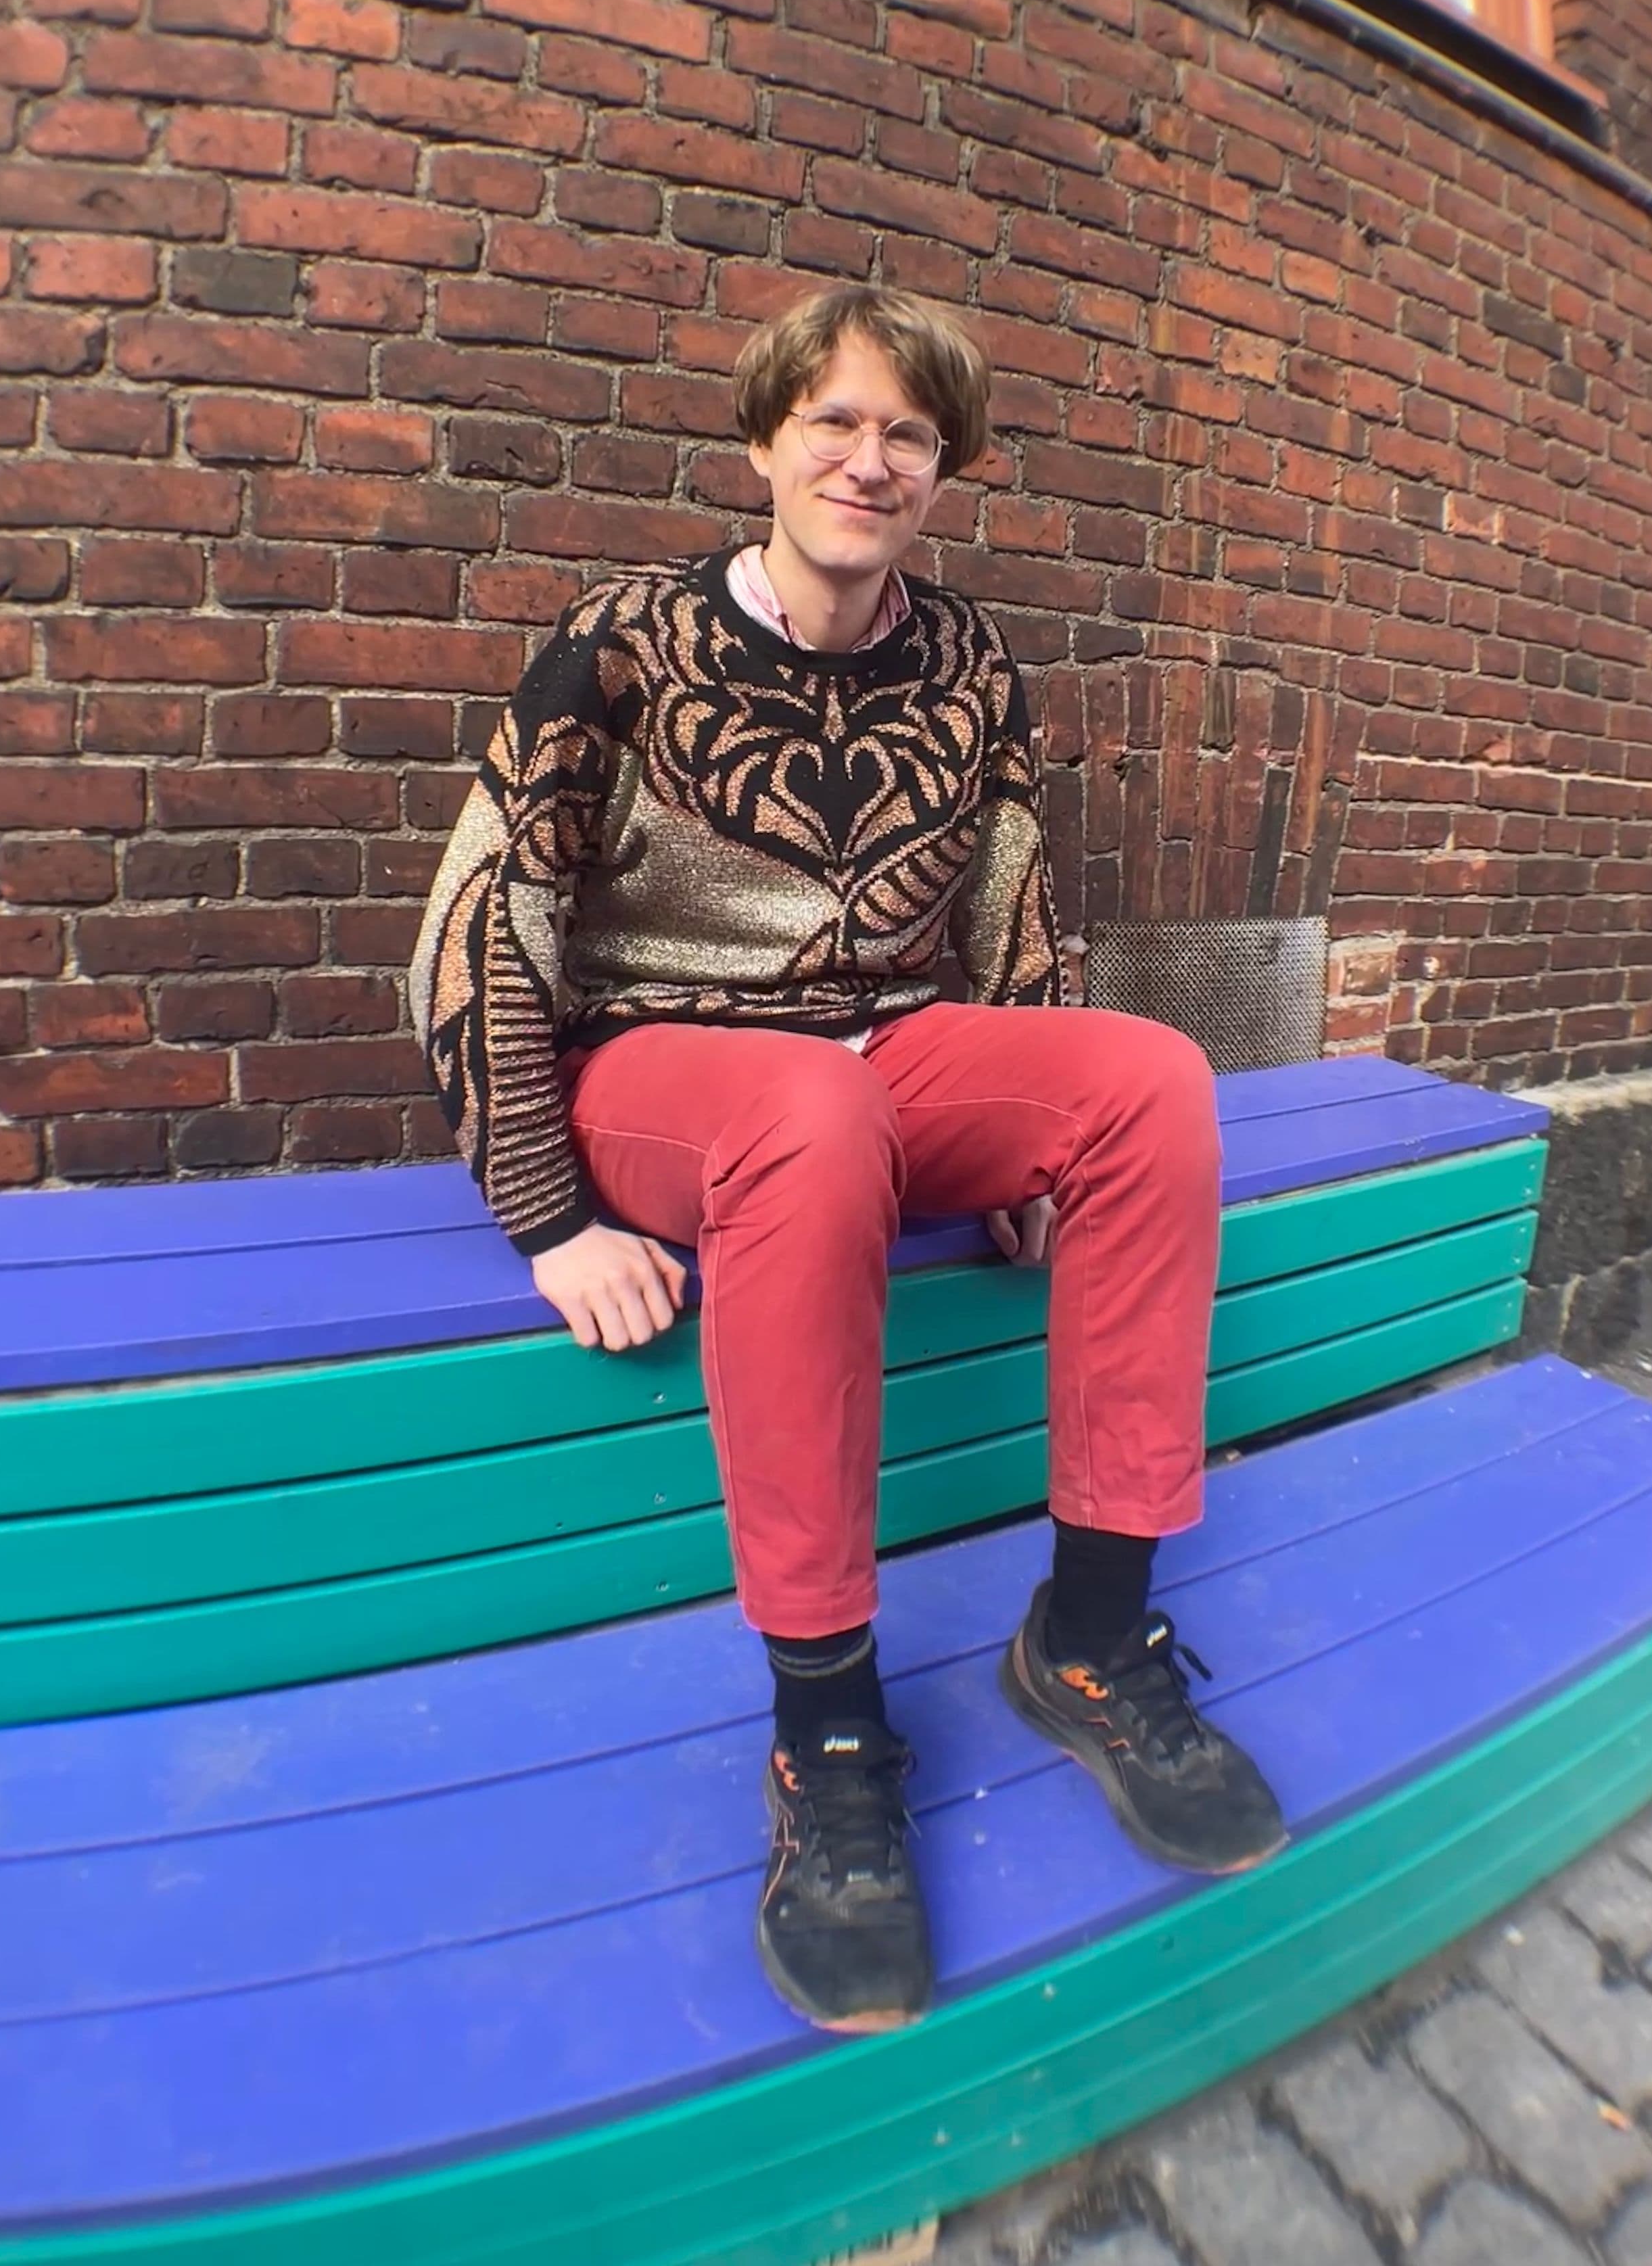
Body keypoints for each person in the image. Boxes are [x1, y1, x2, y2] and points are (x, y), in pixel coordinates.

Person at [409, 287, 1285, 2035]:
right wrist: (547, 1215)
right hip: (665, 1068)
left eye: (910, 435)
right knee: (809, 1115)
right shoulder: (621, 644)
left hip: (893, 1049)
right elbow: (486, 918)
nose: (870, 461)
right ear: (765, 442)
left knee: (1151, 1079)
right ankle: (824, 1723)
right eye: (835, 422)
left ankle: (1090, 1633)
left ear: (943, 469)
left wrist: (1029, 1156)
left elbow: (1012, 910)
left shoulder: (968, 662)